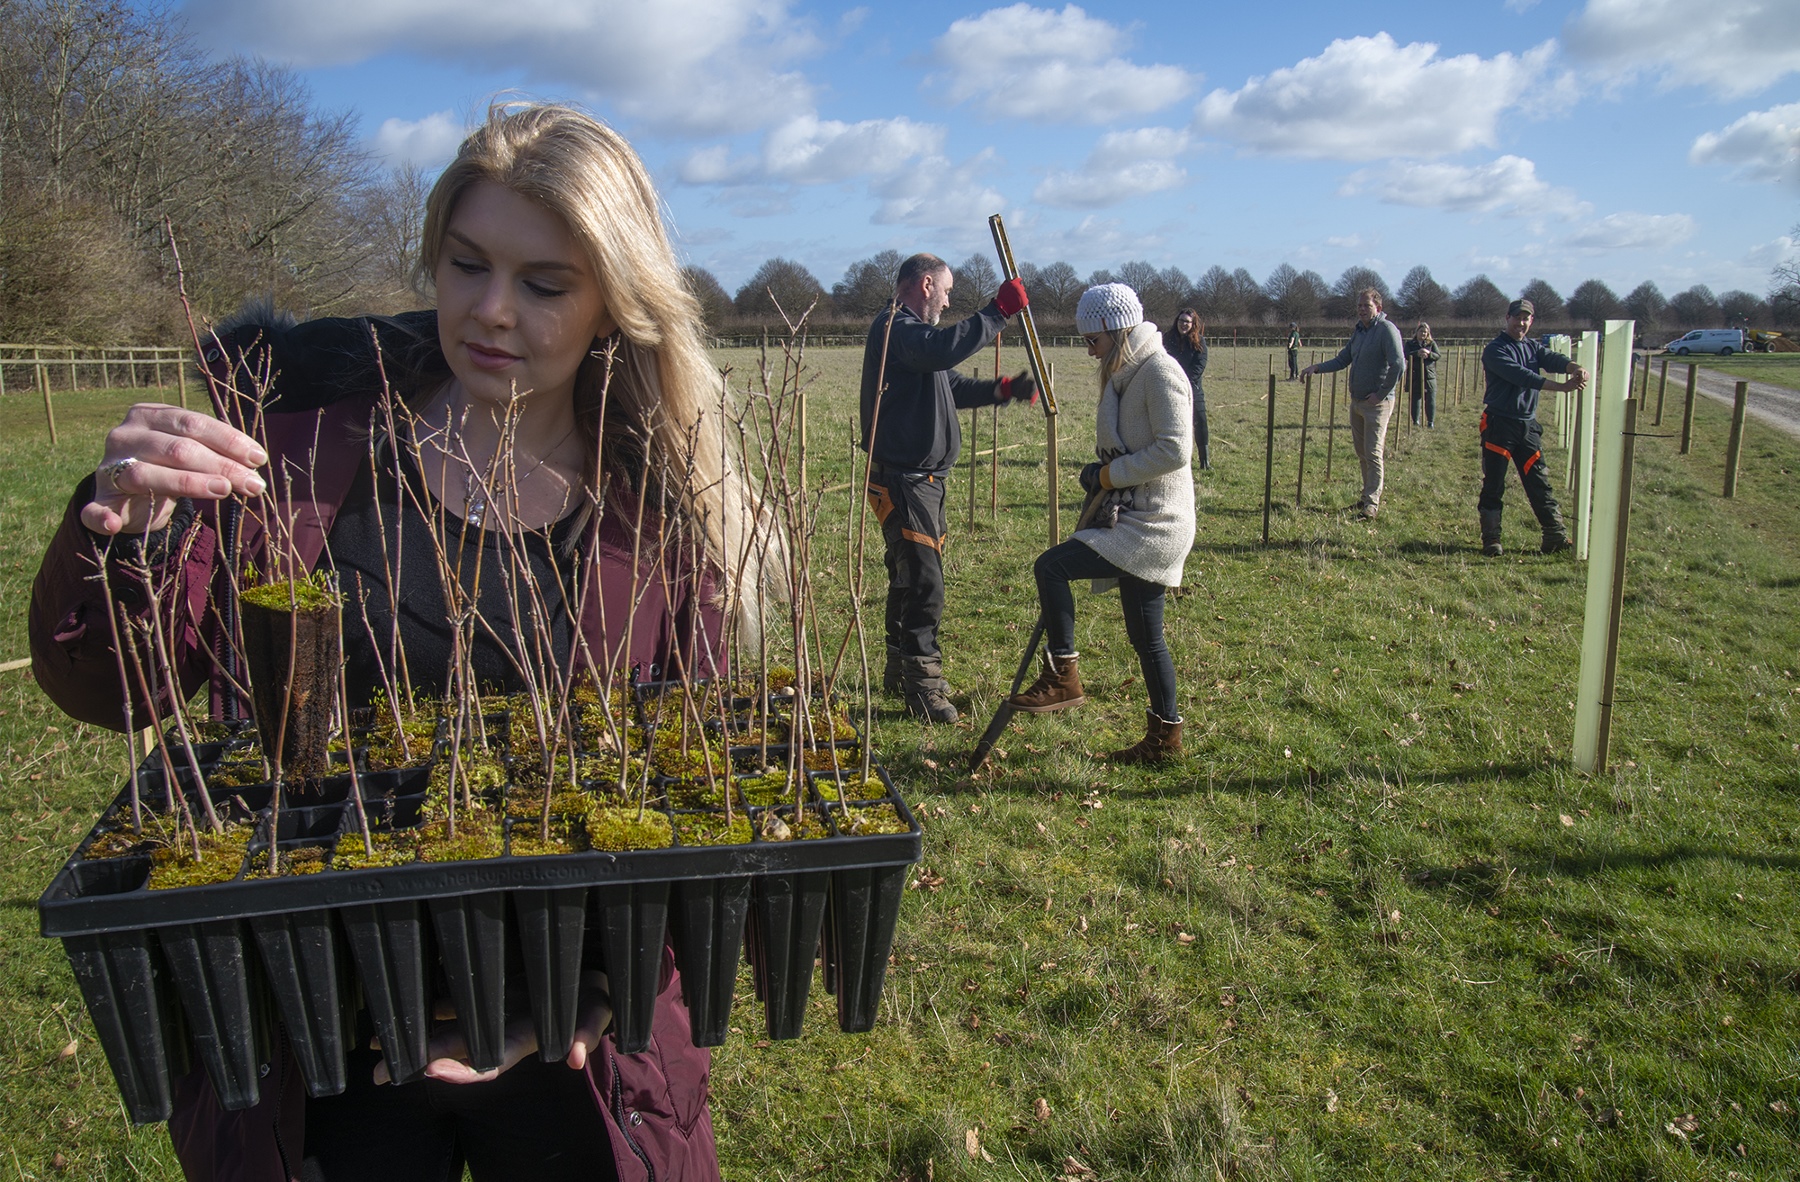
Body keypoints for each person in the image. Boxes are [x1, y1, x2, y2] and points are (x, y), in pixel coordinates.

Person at [30, 103, 738, 1182]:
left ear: (615, 306)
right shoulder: (302, 456)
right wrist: (123, 540)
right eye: (465, 265)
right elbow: (110, 688)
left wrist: (587, 991)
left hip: (573, 1053)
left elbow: (702, 804)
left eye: (545, 284)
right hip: (310, 1031)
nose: (491, 310)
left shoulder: (661, 513)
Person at [1008, 284, 1194, 764]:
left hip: (1157, 521)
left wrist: (1109, 474)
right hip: (1131, 513)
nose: (1090, 351)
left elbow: (1175, 449)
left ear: (1117, 331)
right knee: (1146, 636)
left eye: (1094, 340)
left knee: (1051, 567)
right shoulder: (1122, 376)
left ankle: (1062, 676)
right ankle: (1165, 739)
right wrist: (1100, 473)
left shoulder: (1160, 372)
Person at [859, 253, 1034, 723]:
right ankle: (923, 686)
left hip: (922, 480)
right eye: (948, 290)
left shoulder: (913, 337)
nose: (949, 299)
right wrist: (998, 312)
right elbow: (940, 351)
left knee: (909, 575)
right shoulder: (897, 326)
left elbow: (947, 382)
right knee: (924, 581)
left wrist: (1000, 390)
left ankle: (900, 671)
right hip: (904, 478)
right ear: (927, 284)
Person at [1478, 298, 1587, 556]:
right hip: (1499, 426)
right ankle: (1491, 540)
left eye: (1526, 318)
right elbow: (1521, 376)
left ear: (1532, 321)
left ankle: (1554, 535)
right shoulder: (1495, 350)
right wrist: (1561, 387)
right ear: (1507, 318)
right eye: (1517, 317)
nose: (1522, 323)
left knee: (1539, 482)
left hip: (1527, 428)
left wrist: (1575, 367)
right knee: (1494, 484)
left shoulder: (1532, 347)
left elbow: (1552, 358)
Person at [1300, 288, 1404, 519]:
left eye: (1366, 305)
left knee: (1373, 453)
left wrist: (1381, 394)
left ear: (1378, 307)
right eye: (1359, 306)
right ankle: (1366, 496)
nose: (1361, 309)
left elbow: (1398, 365)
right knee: (1361, 452)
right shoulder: (1359, 332)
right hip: (1357, 402)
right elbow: (1343, 359)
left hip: (1377, 404)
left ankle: (1372, 504)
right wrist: (1316, 368)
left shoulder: (1387, 330)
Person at [1163, 307, 1209, 469]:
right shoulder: (1167, 340)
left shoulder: (1199, 342)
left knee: (1200, 422)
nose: (1184, 324)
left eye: (1187, 322)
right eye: (1181, 321)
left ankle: (1205, 460)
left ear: (1193, 324)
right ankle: (1173, 459)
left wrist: (1184, 382)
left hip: (1193, 389)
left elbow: (1199, 365)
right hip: (1169, 387)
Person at [1406, 321, 1440, 428]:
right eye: (1421, 331)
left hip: (1429, 376)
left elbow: (1438, 355)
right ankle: (1415, 421)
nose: (1423, 334)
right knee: (1415, 399)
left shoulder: (1431, 344)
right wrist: (1417, 353)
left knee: (1430, 399)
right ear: (1417, 332)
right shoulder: (1410, 344)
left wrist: (1429, 353)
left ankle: (1430, 422)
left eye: (1425, 332)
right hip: (1415, 375)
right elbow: (1406, 354)